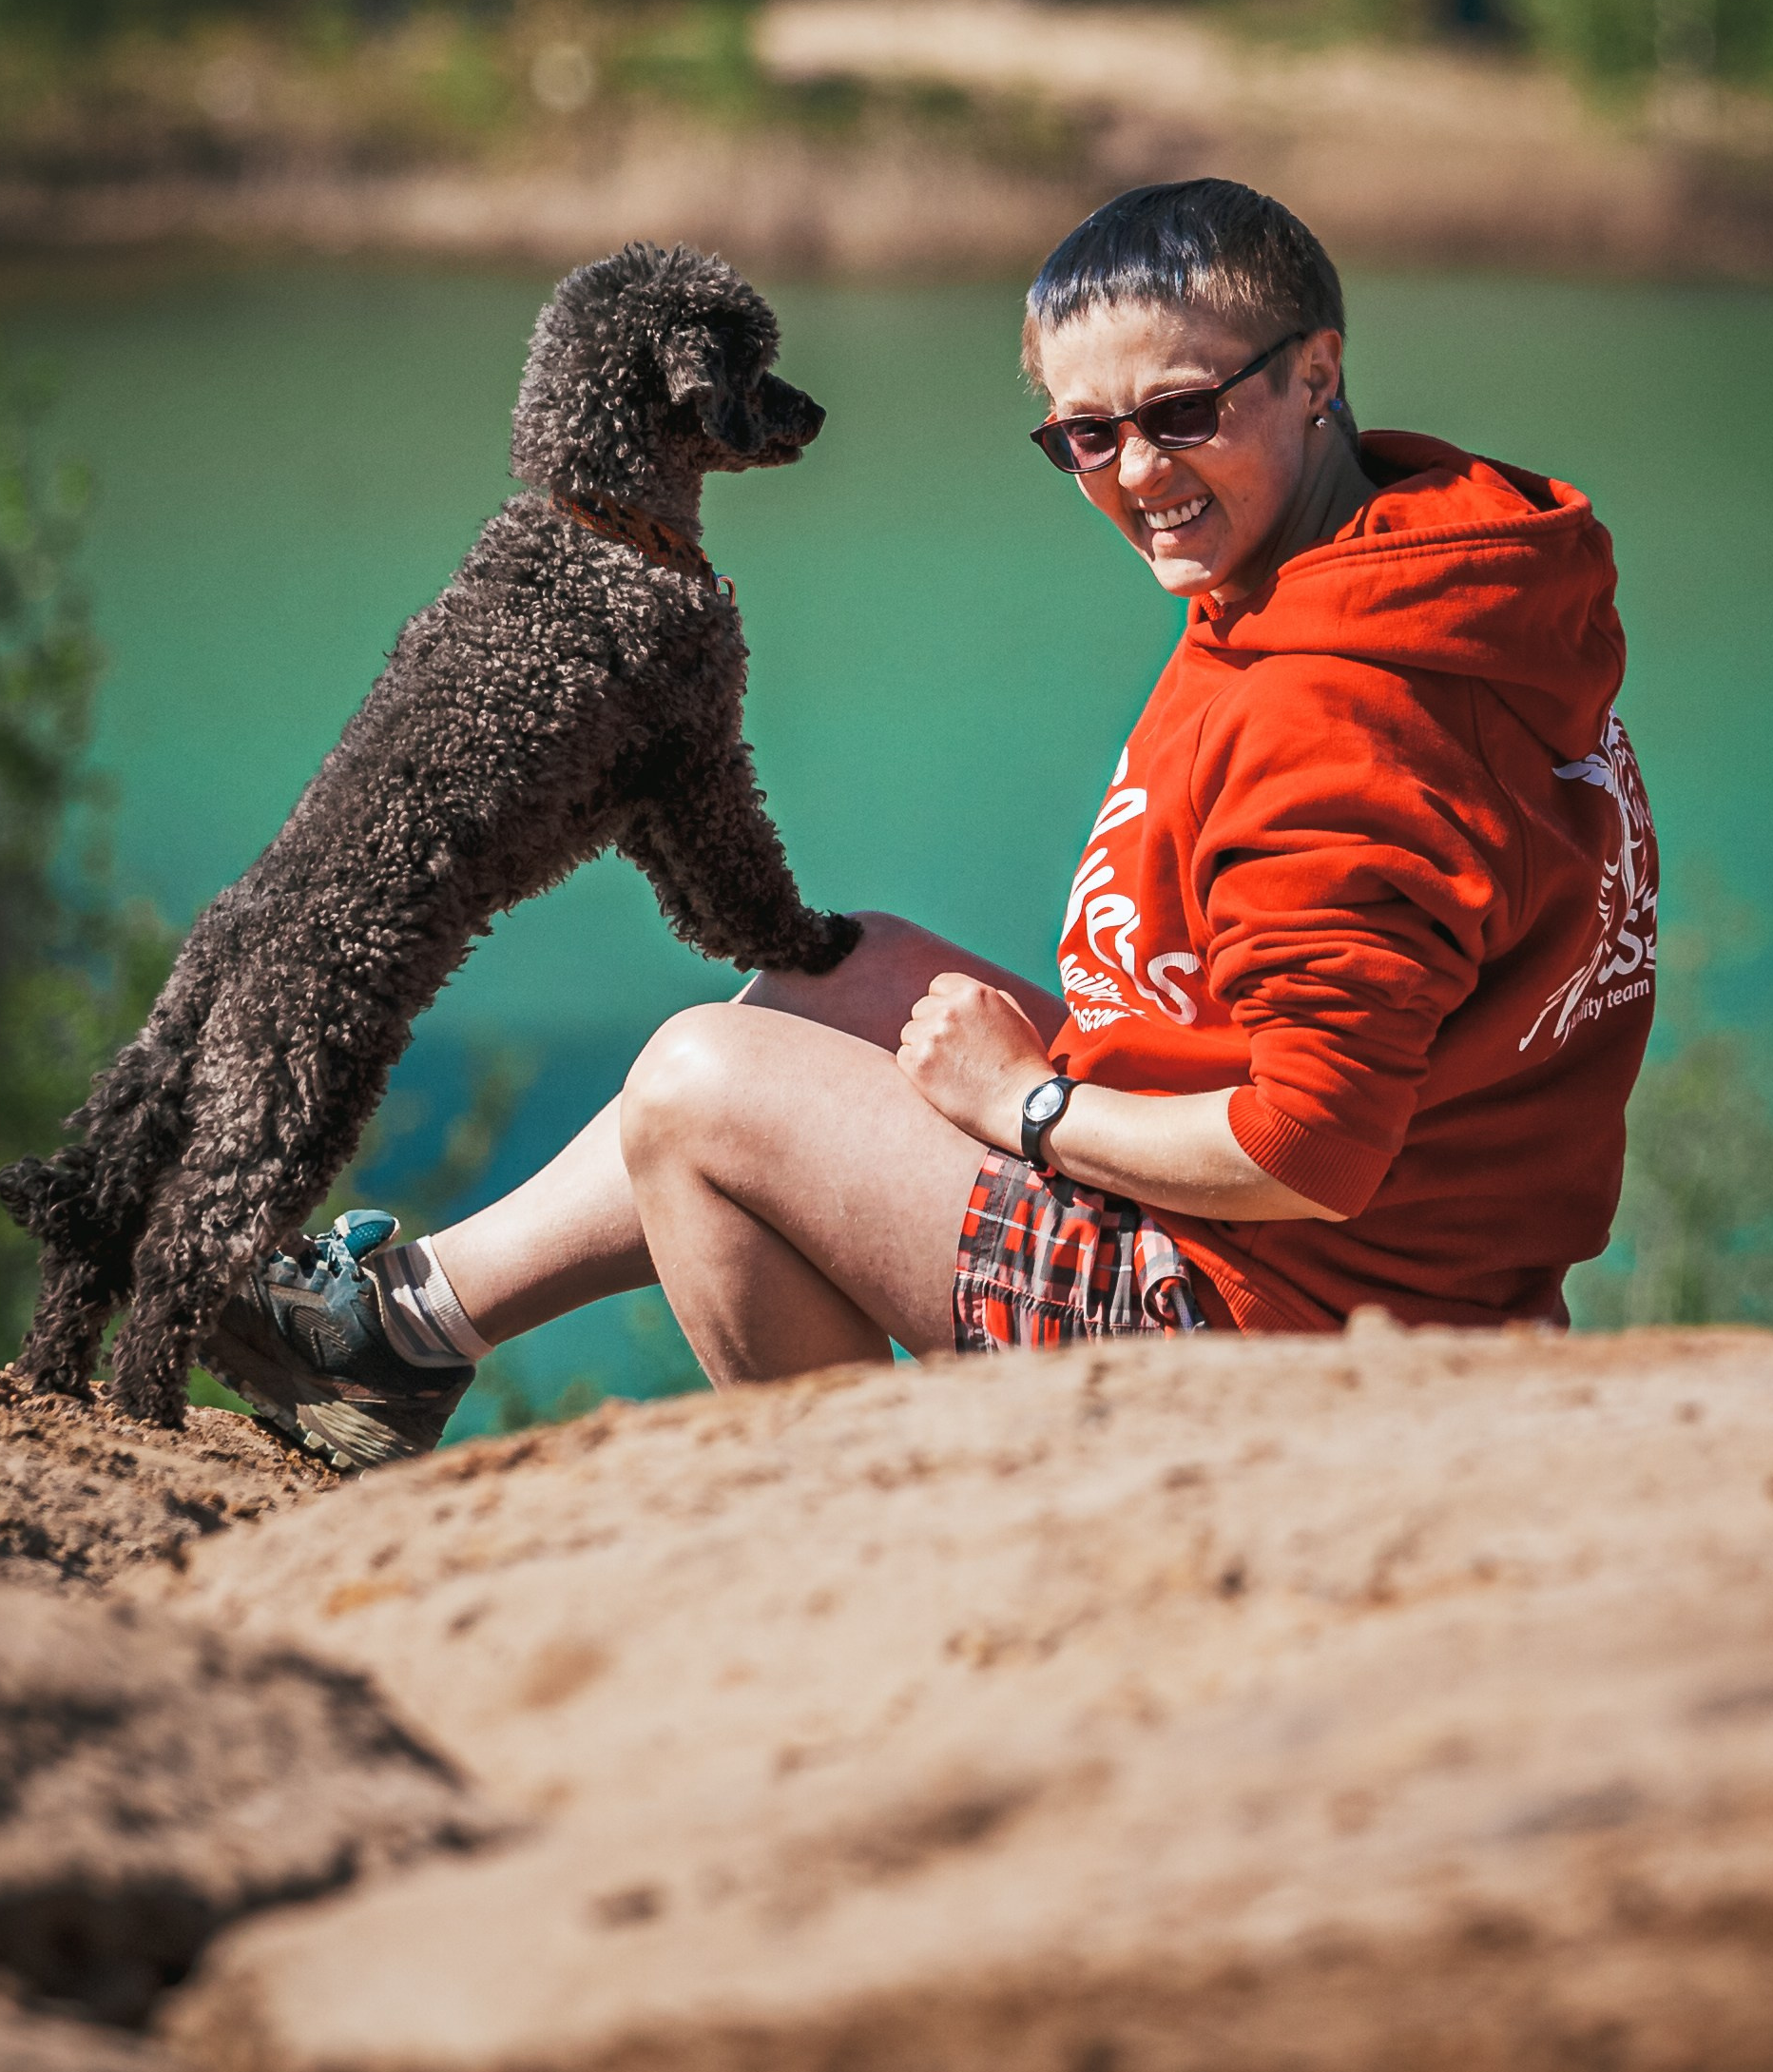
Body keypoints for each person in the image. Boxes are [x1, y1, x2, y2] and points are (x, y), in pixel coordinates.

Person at [212, 179, 1658, 1467]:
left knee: (699, 1094)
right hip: (1393, 1268)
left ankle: (877, 1554)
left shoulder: (1337, 715)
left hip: (1271, 1332)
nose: (1139, 476)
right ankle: (405, 1331)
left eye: (1181, 414)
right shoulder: (1424, 573)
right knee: (848, 972)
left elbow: (1308, 1153)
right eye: (1085, 437)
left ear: (1315, 375)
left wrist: (1022, 1107)